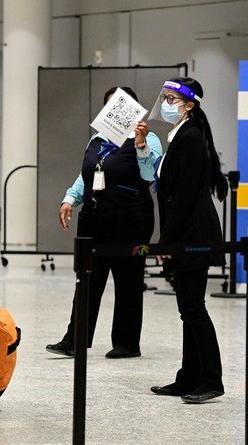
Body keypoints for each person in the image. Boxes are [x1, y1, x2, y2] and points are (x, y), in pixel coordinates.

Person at [45, 86, 162, 359]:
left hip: (131, 219)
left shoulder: (148, 138)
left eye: (122, 105)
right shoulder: (97, 139)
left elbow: (149, 175)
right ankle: (75, 339)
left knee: (128, 281)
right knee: (87, 278)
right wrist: (70, 199)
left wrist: (141, 145)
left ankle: (127, 343)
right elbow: (86, 174)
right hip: (95, 218)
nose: (116, 111)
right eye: (110, 106)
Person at [139, 77, 228, 404]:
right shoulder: (180, 135)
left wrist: (167, 241)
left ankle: (211, 379)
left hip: (194, 234)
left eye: (172, 99)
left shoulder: (190, 138)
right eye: (165, 97)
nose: (166, 102)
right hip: (185, 232)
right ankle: (188, 377)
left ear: (189, 106)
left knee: (193, 307)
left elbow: (186, 196)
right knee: (187, 308)